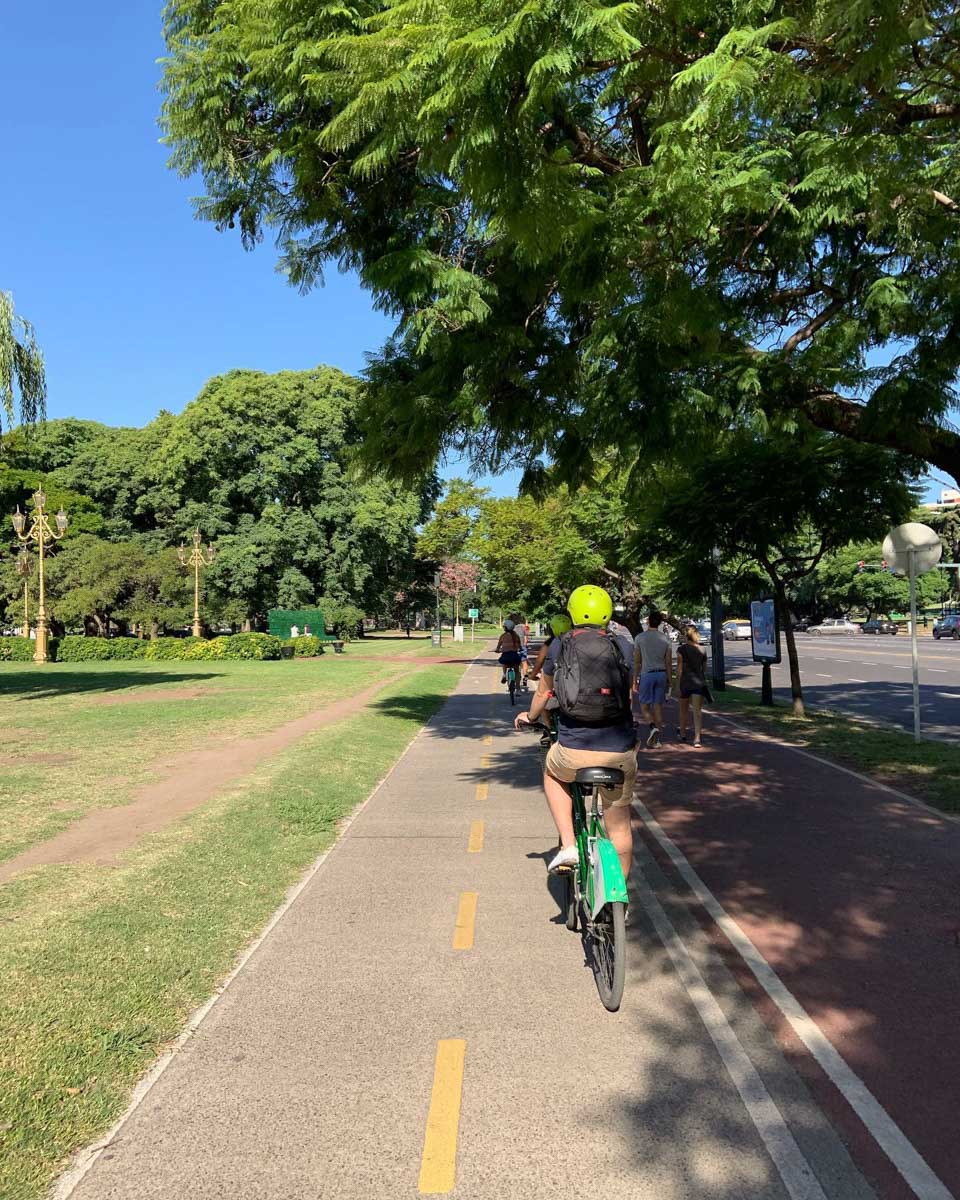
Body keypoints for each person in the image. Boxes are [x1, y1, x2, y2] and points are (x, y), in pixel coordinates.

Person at [515, 586, 637, 878]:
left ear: (572, 612)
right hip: (619, 751)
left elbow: (544, 693)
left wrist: (530, 716)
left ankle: (569, 845)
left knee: (552, 772)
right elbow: (630, 695)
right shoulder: (624, 646)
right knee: (619, 826)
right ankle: (619, 897)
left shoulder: (560, 645)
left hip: (572, 750)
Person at [633, 611, 672, 747]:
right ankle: (657, 740)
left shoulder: (639, 638)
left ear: (648, 621)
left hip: (647, 674)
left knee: (644, 706)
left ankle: (652, 726)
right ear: (660, 622)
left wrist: (635, 680)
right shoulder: (665, 639)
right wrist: (670, 681)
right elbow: (668, 663)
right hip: (661, 674)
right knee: (658, 707)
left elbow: (637, 662)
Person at [677, 625, 708, 746]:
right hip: (698, 682)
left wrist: (677, 685)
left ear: (686, 636)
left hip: (685, 682)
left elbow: (679, 669)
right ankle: (697, 738)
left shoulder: (681, 649)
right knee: (697, 712)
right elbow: (704, 668)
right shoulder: (702, 649)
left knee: (683, 711)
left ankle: (683, 734)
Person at [527, 613, 572, 680]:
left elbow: (539, 662)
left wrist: (532, 675)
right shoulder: (576, 641)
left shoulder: (549, 644)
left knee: (544, 677)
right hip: (576, 679)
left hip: (558, 680)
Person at [495, 619, 522, 684]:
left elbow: (498, 646)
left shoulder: (503, 636)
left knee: (504, 662)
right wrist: (520, 649)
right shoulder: (516, 636)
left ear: (505, 628)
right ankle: (518, 686)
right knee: (517, 670)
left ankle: (504, 674)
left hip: (506, 655)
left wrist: (497, 650)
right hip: (514, 655)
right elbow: (519, 645)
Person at [509, 612, 530, 687]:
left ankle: (515, 679)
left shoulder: (510, 627)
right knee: (524, 662)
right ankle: (525, 677)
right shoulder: (523, 626)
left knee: (513, 663)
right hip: (522, 646)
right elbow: (526, 638)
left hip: (513, 647)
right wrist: (525, 645)